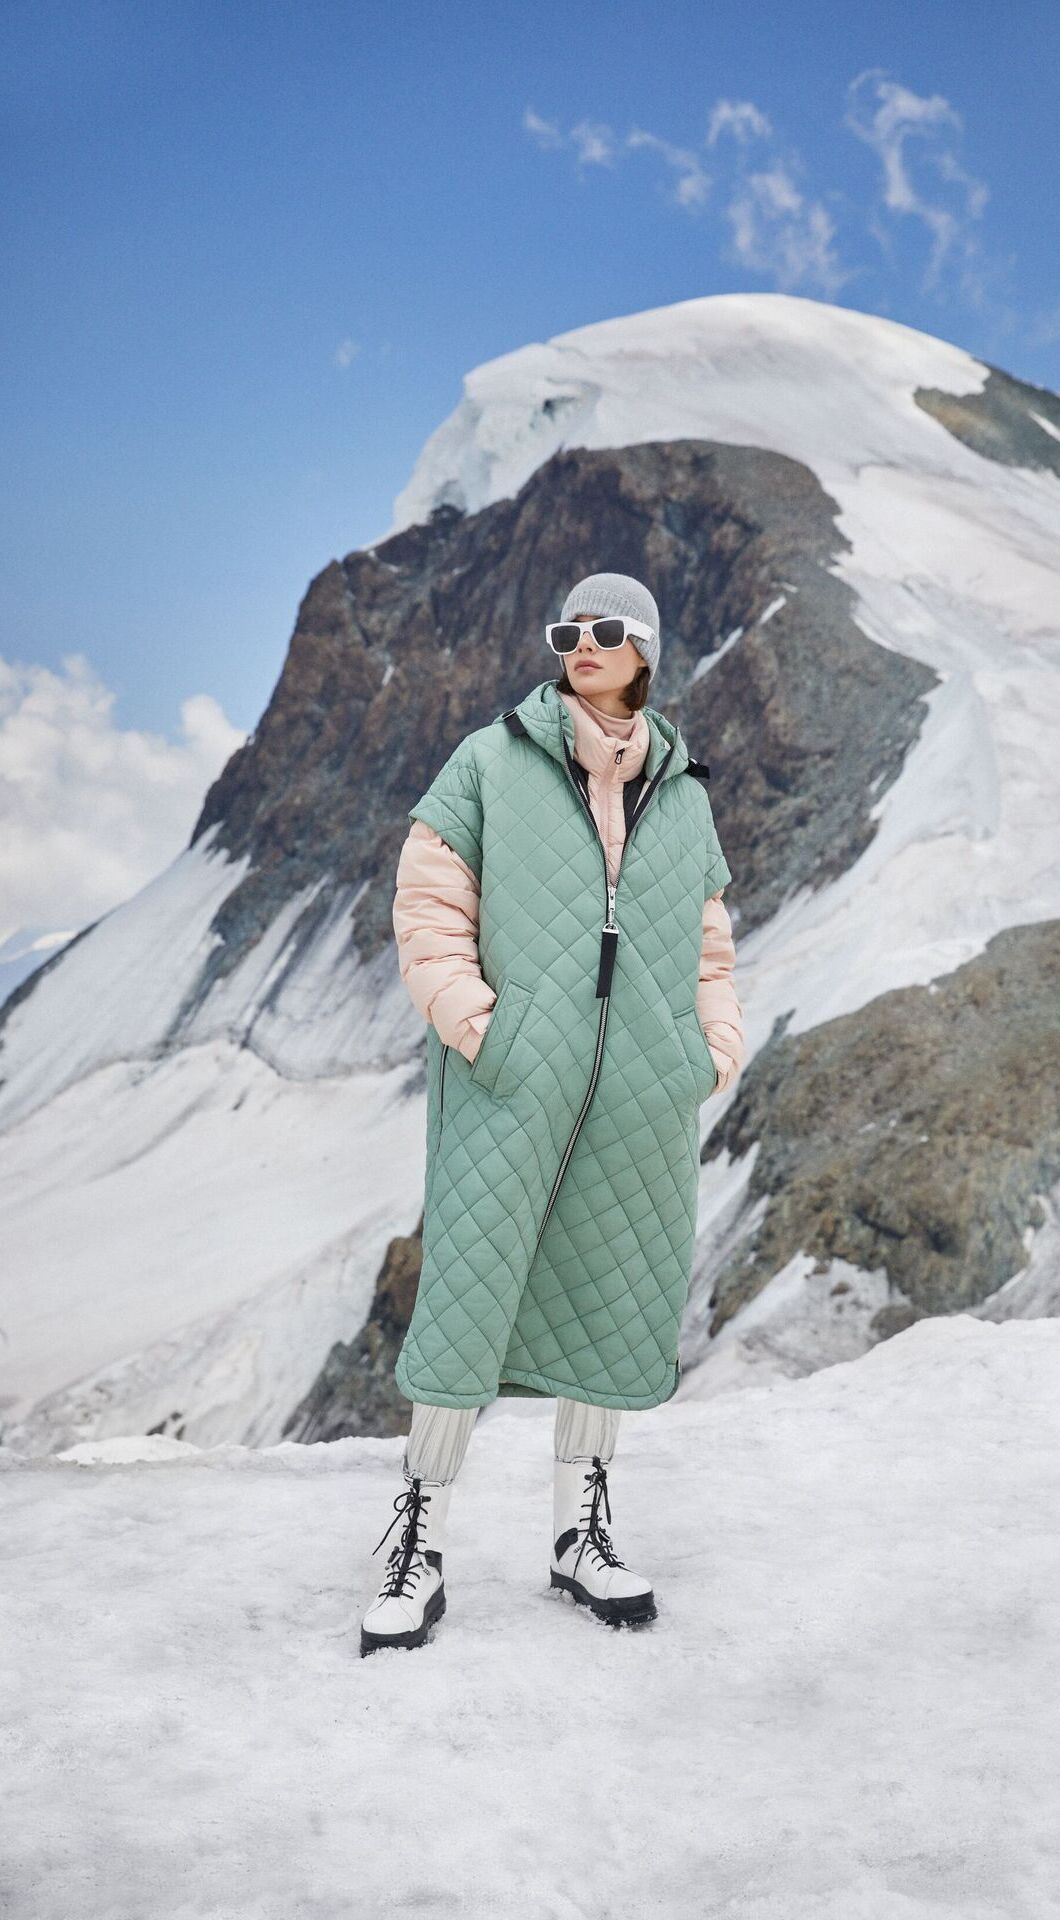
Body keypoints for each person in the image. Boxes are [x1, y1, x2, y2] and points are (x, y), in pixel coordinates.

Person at [360, 572, 744, 1654]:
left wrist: (706, 1056)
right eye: (568, 628)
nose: (583, 642)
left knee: (609, 1297)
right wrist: (486, 1033)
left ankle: (583, 1534)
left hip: (641, 1090)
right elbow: (427, 909)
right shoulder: (489, 762)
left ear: (645, 652)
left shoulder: (683, 791)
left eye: (607, 629)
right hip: (511, 1081)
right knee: (466, 1298)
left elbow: (710, 945)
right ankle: (418, 1541)